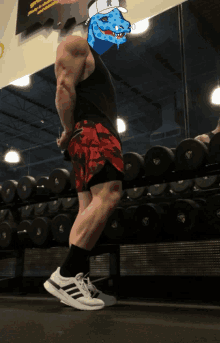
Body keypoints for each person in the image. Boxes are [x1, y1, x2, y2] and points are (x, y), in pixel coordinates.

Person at [43, 0, 131, 310]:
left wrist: (72, 133)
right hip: (93, 132)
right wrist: (68, 130)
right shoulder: (74, 42)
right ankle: (66, 274)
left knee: (88, 206)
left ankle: (78, 279)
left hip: (87, 134)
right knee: (109, 194)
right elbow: (63, 88)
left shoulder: (82, 48)